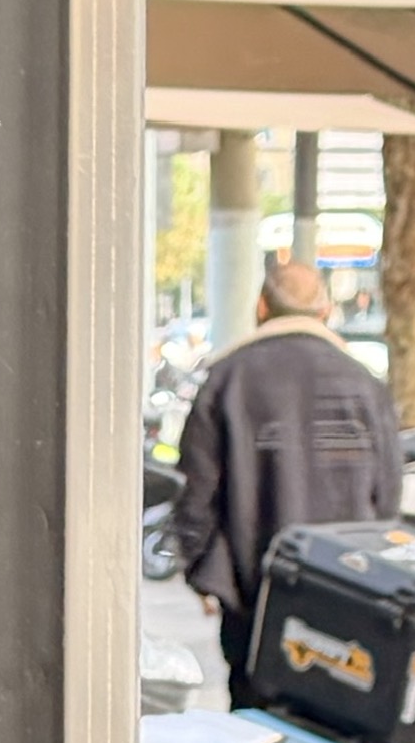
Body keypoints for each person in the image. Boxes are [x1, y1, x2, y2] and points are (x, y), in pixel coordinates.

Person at [171, 246, 401, 698]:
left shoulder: (227, 378)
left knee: (254, 708)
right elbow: (388, 494)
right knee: (336, 706)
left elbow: (196, 489)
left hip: (253, 592)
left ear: (261, 307)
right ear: (326, 311)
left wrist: (200, 570)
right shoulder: (364, 384)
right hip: (347, 590)